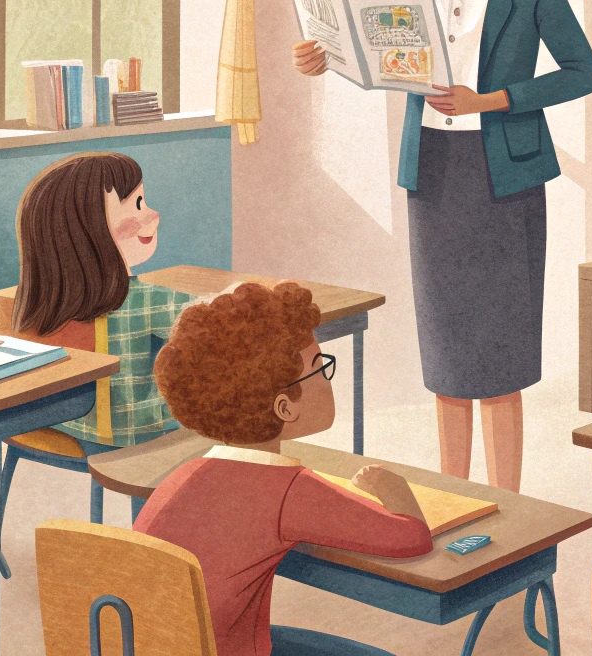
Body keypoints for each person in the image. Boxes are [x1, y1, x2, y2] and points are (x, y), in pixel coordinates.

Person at [292, 0, 592, 489]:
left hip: (501, 174)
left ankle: (507, 500)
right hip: (432, 168)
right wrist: (327, 55)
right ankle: (452, 491)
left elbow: (583, 72)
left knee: (499, 350)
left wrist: (490, 100)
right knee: (446, 348)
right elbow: (385, 53)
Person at [137, 281, 433, 656]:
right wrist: (392, 488)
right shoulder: (288, 489)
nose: (327, 378)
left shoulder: (185, 474)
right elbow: (411, 539)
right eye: (319, 368)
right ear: (284, 407)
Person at [10, 151, 194, 449]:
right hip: (130, 436)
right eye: (137, 205)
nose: (152, 215)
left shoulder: (38, 297)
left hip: (62, 424)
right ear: (87, 229)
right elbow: (216, 324)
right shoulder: (147, 300)